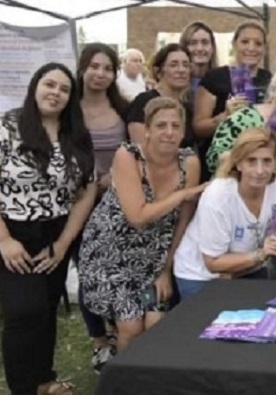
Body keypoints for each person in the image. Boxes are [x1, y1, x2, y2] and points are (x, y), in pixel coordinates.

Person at [0, 63, 97, 395]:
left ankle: (43, 377)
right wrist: (5, 241)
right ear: (35, 86)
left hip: (56, 234)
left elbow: (87, 188)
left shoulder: (76, 133)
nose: (55, 92)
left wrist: (63, 243)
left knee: (45, 310)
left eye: (63, 88)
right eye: (49, 84)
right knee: (23, 312)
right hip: (12, 232)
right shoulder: (8, 127)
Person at [80, 97, 204, 352]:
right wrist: (181, 195)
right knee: (131, 326)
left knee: (155, 321)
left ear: (183, 132)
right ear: (147, 130)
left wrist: (165, 269)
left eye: (175, 126)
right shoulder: (128, 155)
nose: (168, 132)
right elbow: (137, 216)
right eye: (161, 125)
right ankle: (122, 381)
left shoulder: (189, 162)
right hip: (110, 255)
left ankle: (144, 376)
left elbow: (183, 220)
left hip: (152, 260)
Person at [173, 128, 276, 299]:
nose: (260, 170)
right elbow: (212, 262)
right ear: (238, 163)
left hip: (248, 268)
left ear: (275, 162)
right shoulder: (218, 195)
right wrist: (261, 254)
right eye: (251, 161)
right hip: (201, 275)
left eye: (267, 161)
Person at [76, 43, 129, 373]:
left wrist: (115, 177)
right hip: (77, 203)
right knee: (87, 273)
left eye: (108, 68)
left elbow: (133, 146)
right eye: (94, 66)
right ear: (82, 67)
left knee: (116, 269)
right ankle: (99, 340)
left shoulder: (122, 107)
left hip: (116, 203)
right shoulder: (69, 108)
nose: (100, 73)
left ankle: (117, 331)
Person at [206, 66, 276, 186]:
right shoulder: (244, 117)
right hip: (232, 193)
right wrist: (248, 156)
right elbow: (213, 158)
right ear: (275, 90)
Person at [194, 21, 272, 181]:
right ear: (234, 44)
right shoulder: (215, 77)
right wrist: (224, 116)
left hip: (259, 167)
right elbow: (198, 127)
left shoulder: (270, 79)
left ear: (264, 48)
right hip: (221, 165)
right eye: (245, 42)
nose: (251, 48)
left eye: (258, 43)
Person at [128, 44, 195, 149]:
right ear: (158, 72)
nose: (181, 70)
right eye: (174, 65)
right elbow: (140, 149)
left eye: (186, 65)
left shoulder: (187, 108)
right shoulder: (144, 102)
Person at [179, 21, 218, 102]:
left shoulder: (222, 81)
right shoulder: (175, 83)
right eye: (193, 43)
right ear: (184, 48)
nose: (200, 48)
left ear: (213, 48)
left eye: (205, 42)